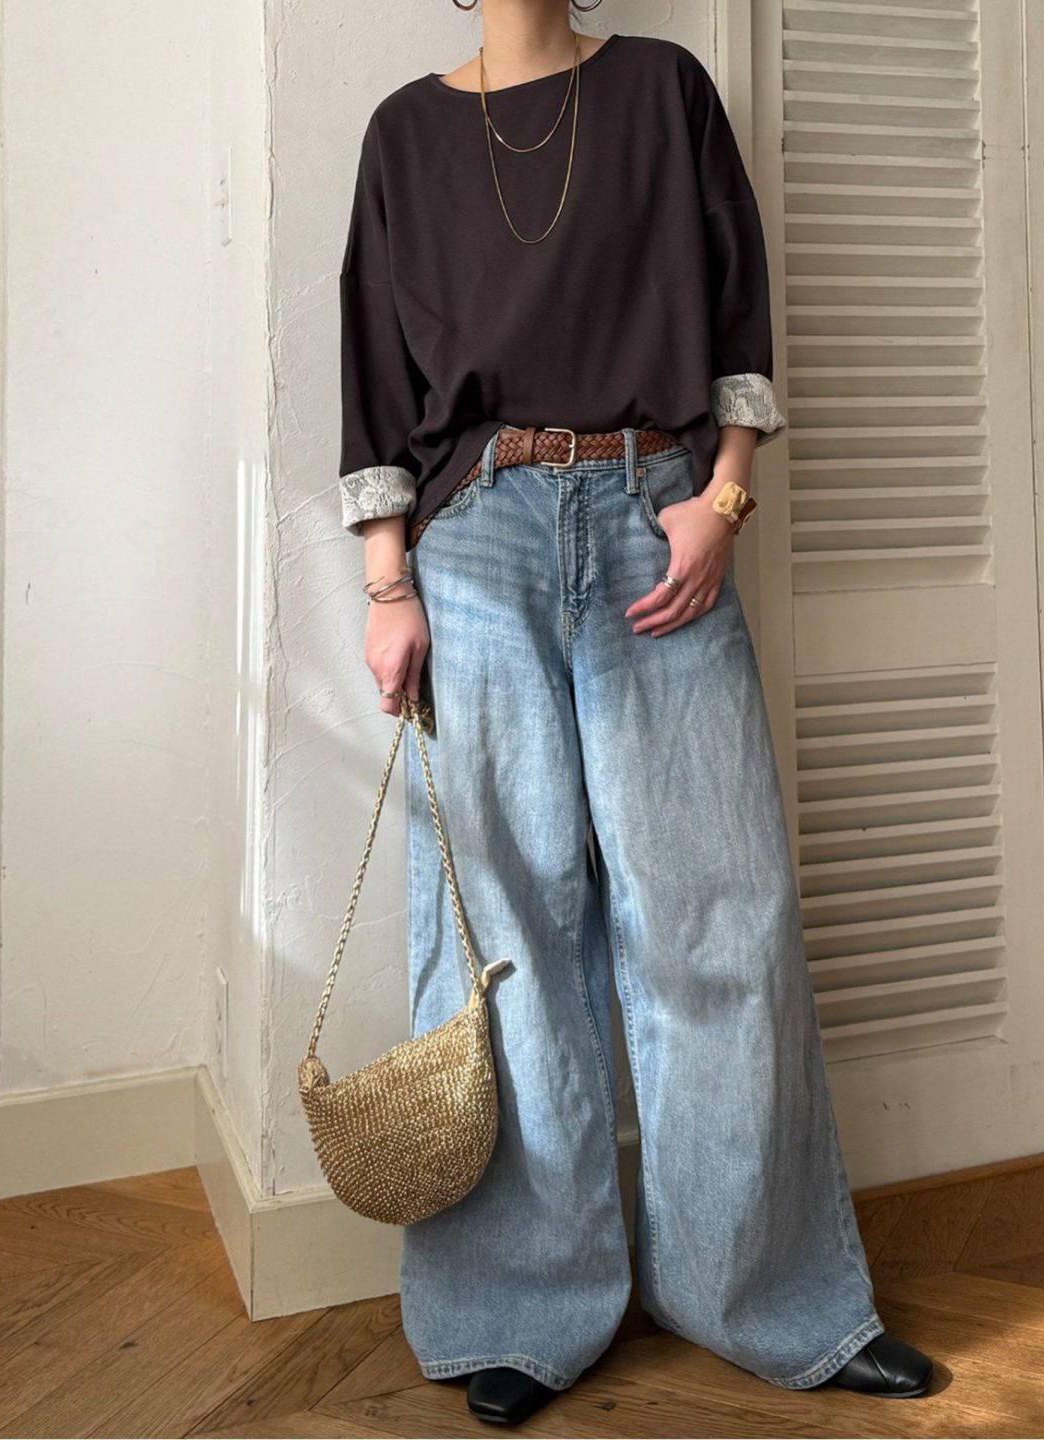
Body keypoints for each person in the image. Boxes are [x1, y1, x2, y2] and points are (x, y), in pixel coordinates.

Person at [337, 0, 934, 1425]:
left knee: (720, 913)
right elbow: (372, 371)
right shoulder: (404, 134)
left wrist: (723, 499)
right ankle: (516, 1310)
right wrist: (387, 581)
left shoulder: (666, 90)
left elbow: (737, 308)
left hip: (654, 515)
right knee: (500, 936)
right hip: (474, 541)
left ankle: (769, 1298)